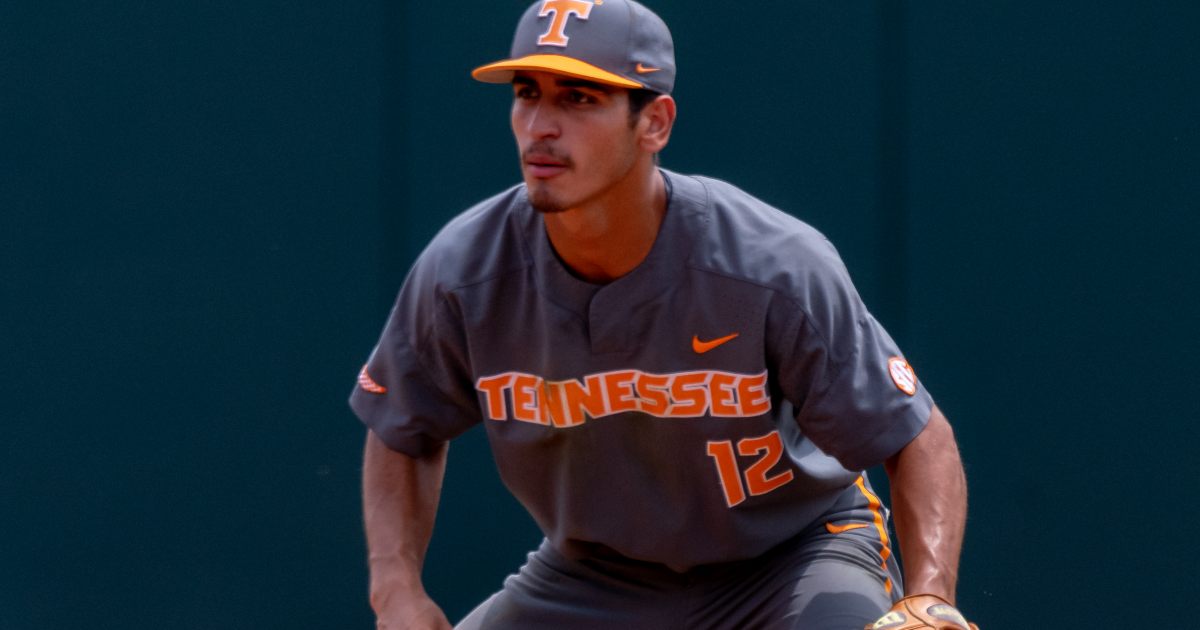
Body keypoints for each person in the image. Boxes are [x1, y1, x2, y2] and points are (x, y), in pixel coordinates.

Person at [351, 1, 974, 628]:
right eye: (526, 94)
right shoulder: (466, 271)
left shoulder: (770, 267)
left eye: (579, 99)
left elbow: (918, 436)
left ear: (655, 123)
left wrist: (929, 595)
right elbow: (402, 425)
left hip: (791, 556)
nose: (540, 125)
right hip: (592, 578)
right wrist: (396, 592)